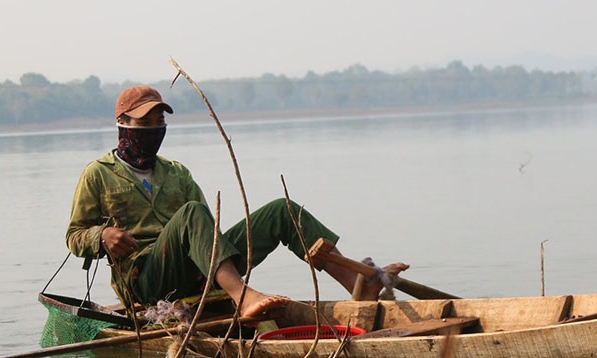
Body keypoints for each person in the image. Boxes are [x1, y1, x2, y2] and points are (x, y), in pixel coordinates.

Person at [66, 85, 408, 322]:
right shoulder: (98, 174)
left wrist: (209, 262)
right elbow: (75, 236)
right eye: (145, 123)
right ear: (123, 125)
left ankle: (357, 282)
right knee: (191, 214)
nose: (154, 130)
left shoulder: (176, 173)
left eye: (159, 123)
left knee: (281, 210)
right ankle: (242, 296)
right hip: (146, 280)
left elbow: (204, 231)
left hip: (199, 273)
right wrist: (102, 237)